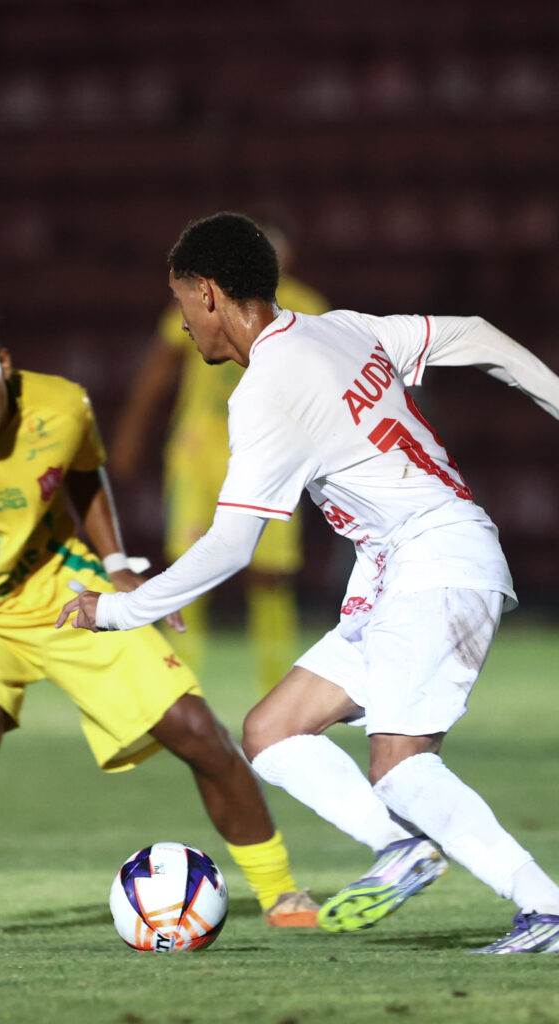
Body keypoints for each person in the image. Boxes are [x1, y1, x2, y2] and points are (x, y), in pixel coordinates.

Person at [57, 212, 559, 954]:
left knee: (402, 768)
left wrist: (118, 611)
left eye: (182, 304)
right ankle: (400, 849)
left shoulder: (267, 390)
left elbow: (231, 546)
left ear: (208, 294)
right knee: (272, 733)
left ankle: (552, 911)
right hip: (404, 574)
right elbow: (470, 331)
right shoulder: (337, 329)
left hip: (435, 566)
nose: (182, 325)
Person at [0, 301, 319, 937]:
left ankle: (281, 894)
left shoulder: (62, 406)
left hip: (66, 594)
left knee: (196, 727)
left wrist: (116, 562)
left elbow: (84, 476)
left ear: (2, 362)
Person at [108, 223, 329, 694]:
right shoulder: (203, 301)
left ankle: (276, 687)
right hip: (199, 450)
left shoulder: (307, 307)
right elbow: (159, 370)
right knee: (190, 565)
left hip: (271, 450)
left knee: (270, 575)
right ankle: (179, 686)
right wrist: (130, 434)